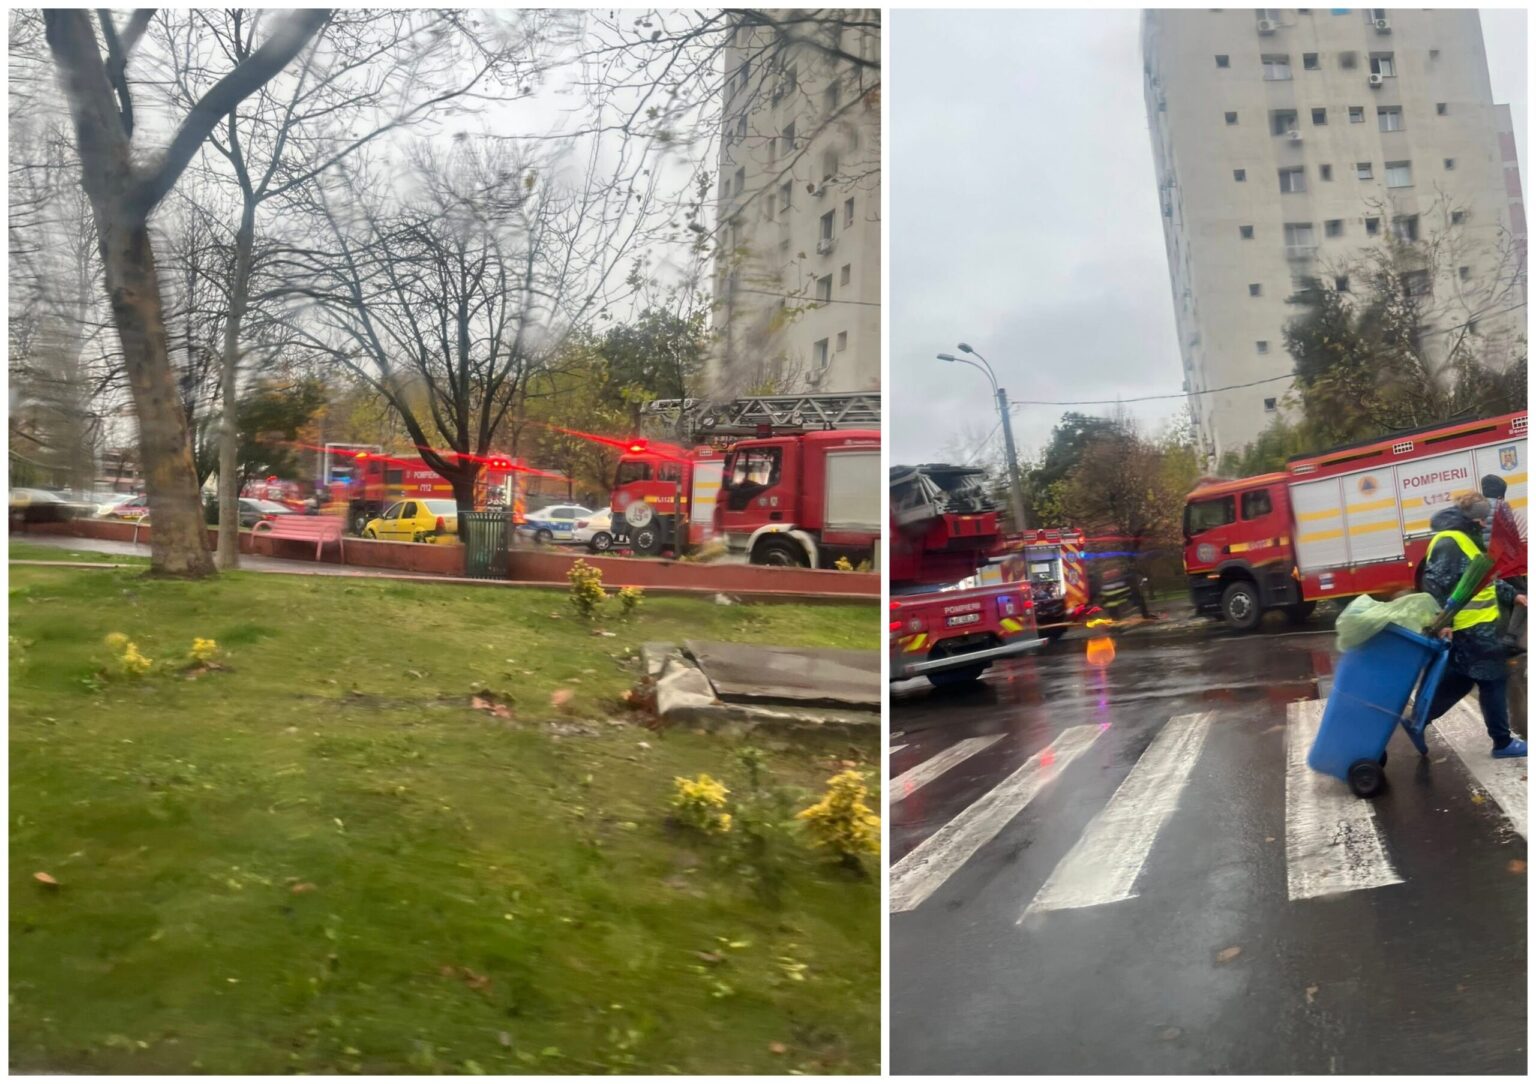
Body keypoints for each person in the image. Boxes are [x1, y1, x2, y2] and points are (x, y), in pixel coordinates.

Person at [1414, 491, 1528, 758]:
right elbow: (1434, 585)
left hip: (1477, 626)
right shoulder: (1449, 541)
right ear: (1470, 518)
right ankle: (1502, 743)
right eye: (1481, 520)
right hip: (1472, 627)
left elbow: (1481, 579)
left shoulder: (1463, 538)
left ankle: (1418, 720)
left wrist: (1514, 595)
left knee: (1462, 680)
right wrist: (1444, 622)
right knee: (1494, 679)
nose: (1485, 525)